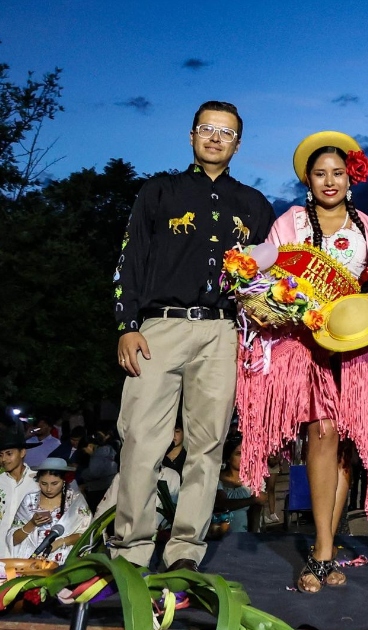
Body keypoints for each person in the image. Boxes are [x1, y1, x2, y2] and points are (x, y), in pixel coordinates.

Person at [110, 100, 274, 572]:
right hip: (158, 327)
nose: (215, 138)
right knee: (142, 438)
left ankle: (185, 551)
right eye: (207, 129)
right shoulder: (158, 191)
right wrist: (126, 325)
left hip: (222, 332)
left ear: (238, 144)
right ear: (191, 136)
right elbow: (129, 258)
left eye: (226, 133)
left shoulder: (254, 204)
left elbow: (265, 277)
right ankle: (131, 550)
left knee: (207, 445)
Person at [233, 131, 368, 593]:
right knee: (321, 433)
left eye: (337, 173)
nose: (329, 181)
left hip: (357, 348)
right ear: (308, 179)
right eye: (320, 174)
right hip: (307, 349)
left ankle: (329, 539)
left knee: (346, 446)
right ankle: (323, 549)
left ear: (351, 177)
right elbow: (266, 277)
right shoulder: (291, 223)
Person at [7, 458, 92, 565]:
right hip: (32, 562)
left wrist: (60, 542)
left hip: (65, 562)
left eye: (54, 483)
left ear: (64, 480)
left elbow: (87, 534)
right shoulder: (30, 500)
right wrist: (32, 523)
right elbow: (14, 539)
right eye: (43, 483)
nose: (48, 489)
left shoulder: (75, 502)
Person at [0, 426, 40, 557]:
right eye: (1, 455)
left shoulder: (38, 481)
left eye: (9, 453)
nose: (4, 459)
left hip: (27, 551)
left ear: (23, 453)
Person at [212, 435, 262, 535]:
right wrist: (253, 499)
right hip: (220, 535)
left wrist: (252, 536)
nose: (243, 457)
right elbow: (223, 503)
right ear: (229, 457)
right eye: (238, 454)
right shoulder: (216, 478)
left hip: (245, 536)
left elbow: (256, 512)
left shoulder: (254, 479)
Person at [75, 428, 120, 508]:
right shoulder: (110, 449)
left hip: (100, 491)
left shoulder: (97, 455)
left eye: (84, 450)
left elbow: (94, 473)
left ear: (90, 446)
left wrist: (83, 473)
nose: (85, 452)